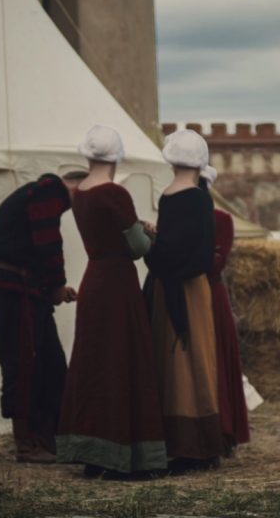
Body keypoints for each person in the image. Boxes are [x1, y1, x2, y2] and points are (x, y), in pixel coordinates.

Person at [56, 125, 168, 477]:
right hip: (118, 285)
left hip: (95, 281)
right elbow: (135, 248)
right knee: (122, 364)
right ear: (116, 157)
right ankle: (122, 459)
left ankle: (94, 455)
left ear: (88, 156)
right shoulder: (114, 194)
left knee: (94, 367)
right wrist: (150, 236)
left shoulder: (79, 193)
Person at [0, 171, 83, 463]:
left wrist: (52, 289)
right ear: (77, 186)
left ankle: (48, 439)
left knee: (50, 363)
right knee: (23, 363)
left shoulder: (40, 194)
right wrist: (57, 283)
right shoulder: (49, 191)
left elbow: (33, 246)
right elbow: (48, 244)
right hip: (13, 291)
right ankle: (27, 443)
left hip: (25, 289)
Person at [144, 128, 221, 472]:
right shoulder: (194, 197)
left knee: (184, 362)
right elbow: (191, 246)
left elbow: (177, 250)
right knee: (189, 361)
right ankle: (194, 445)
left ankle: (192, 447)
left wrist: (152, 247)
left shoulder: (183, 197)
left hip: (179, 288)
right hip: (186, 287)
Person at [200, 166, 251, 456]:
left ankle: (223, 430)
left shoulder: (221, 219)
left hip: (211, 294)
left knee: (217, 357)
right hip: (188, 293)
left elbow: (215, 263)